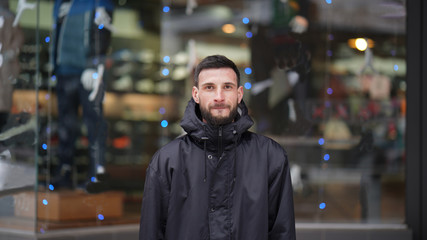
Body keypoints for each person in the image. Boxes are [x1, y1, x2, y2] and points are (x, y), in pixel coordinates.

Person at [139, 55, 296, 240]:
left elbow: (282, 233)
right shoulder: (166, 161)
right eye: (209, 87)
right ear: (196, 94)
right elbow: (151, 233)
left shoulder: (271, 157)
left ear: (239, 94)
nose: (219, 97)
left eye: (227, 87)